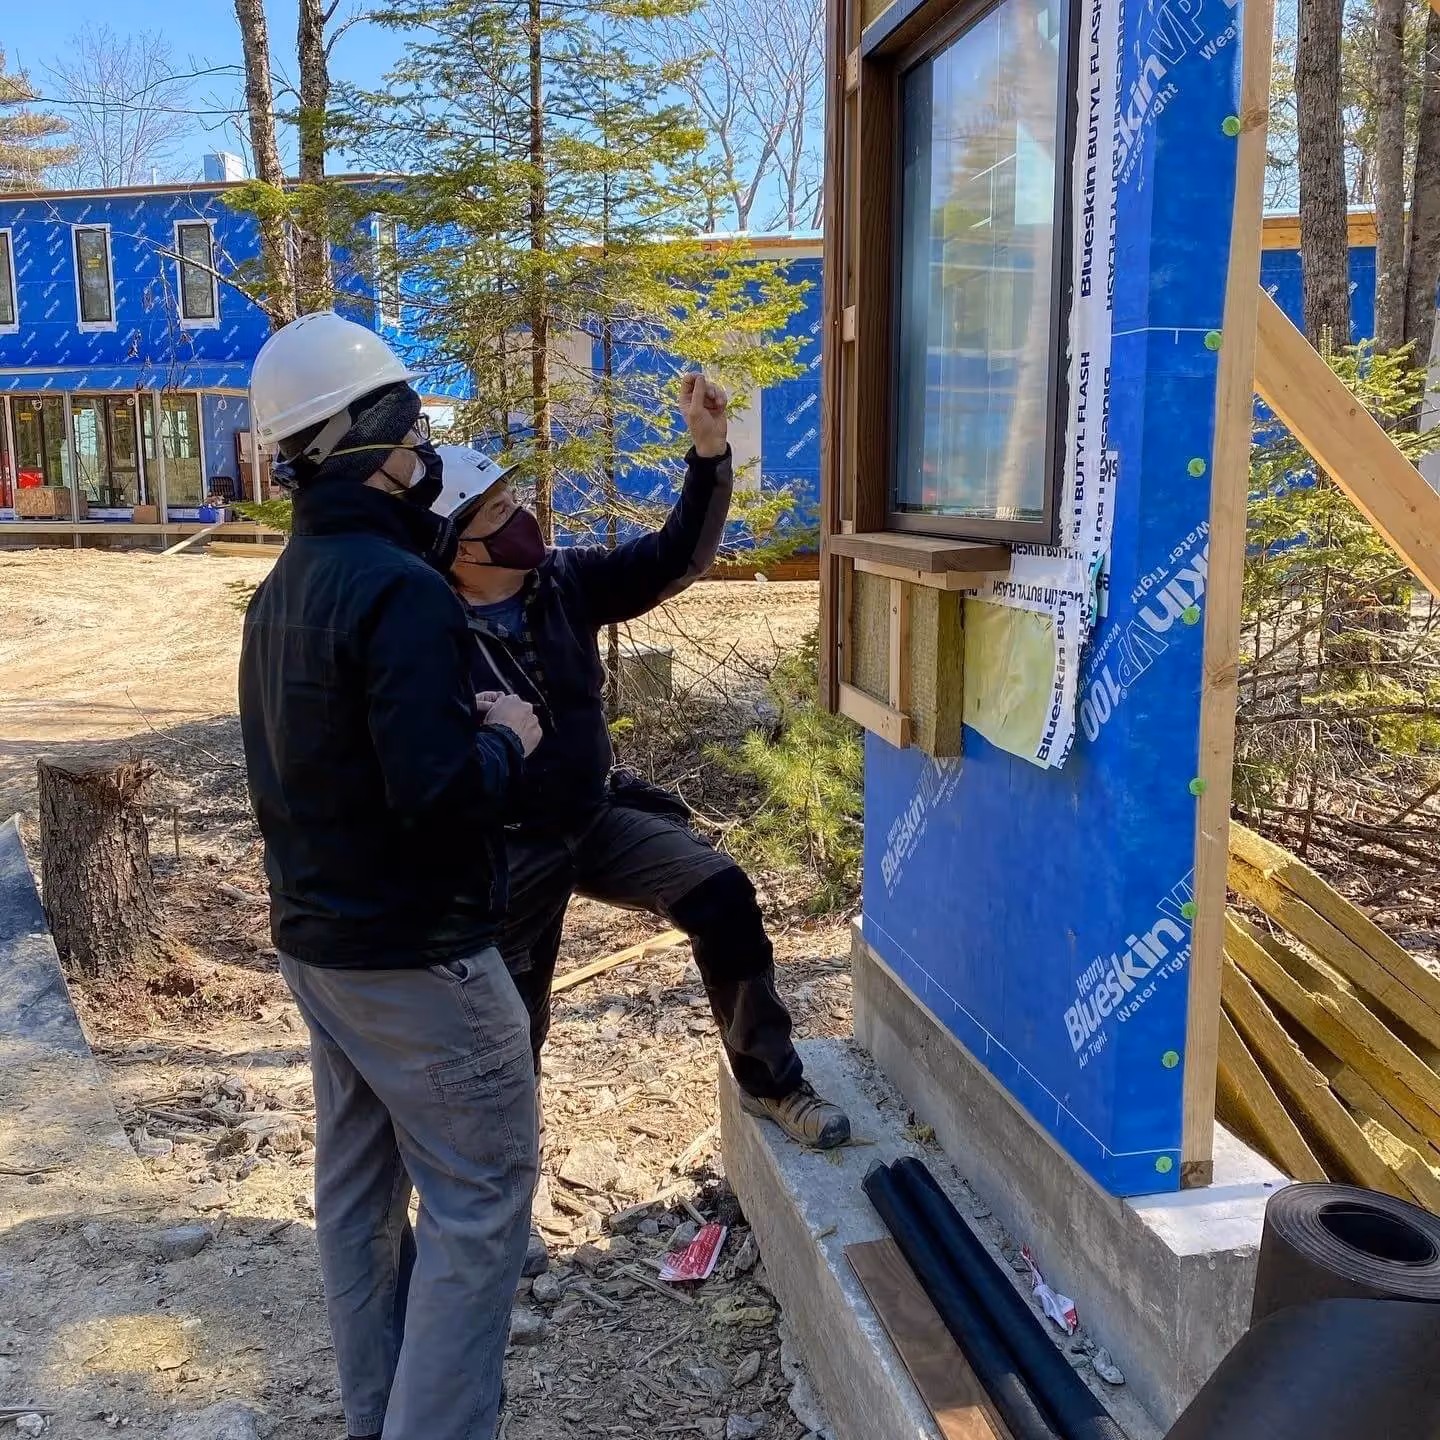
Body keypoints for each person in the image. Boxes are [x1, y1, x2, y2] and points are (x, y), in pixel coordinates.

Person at [429, 372, 852, 1204]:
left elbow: (676, 556)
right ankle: (495, 1205)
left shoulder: (563, 580)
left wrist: (708, 451)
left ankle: (771, 1085)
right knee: (515, 1023)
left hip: (595, 814)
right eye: (492, 515)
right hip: (507, 846)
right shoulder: (427, 629)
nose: (519, 520)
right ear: (454, 549)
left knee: (723, 896)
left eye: (513, 499)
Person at [238, 311, 541, 1440]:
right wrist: (507, 736)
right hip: (420, 960)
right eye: (413, 433)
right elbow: (438, 798)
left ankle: (378, 1419)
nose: (428, 460)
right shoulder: (401, 593)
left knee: (360, 1201)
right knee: (477, 1207)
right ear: (366, 442)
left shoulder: (288, 586)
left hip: (322, 950)